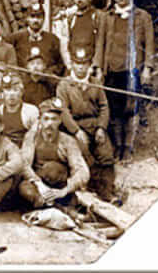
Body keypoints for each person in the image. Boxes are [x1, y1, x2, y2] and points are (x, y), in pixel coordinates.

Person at [101, 0, 155, 161]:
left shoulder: (142, 16)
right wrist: (98, 67)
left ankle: (128, 147)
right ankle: (118, 146)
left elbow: (149, 45)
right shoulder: (107, 17)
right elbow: (100, 44)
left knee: (131, 109)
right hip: (112, 69)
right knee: (115, 109)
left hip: (132, 70)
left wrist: (147, 68)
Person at [57, 46, 116, 201]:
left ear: (89, 65)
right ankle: (93, 190)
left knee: (106, 154)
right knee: (84, 154)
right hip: (75, 127)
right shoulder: (64, 85)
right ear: (72, 64)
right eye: (77, 63)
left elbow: (104, 107)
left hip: (95, 125)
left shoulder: (95, 83)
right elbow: (63, 111)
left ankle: (108, 190)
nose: (81, 67)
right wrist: (76, 131)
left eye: (84, 63)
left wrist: (101, 128)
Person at [18, 98, 90, 209]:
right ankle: (51, 205)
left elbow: (82, 171)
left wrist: (64, 190)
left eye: (54, 119)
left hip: (59, 185)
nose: (50, 123)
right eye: (46, 119)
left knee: (52, 169)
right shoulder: (31, 137)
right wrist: (39, 185)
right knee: (24, 188)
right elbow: (24, 164)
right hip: (39, 183)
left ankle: (53, 204)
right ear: (40, 120)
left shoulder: (67, 141)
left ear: (60, 121)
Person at [9, 3, 64, 76]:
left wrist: (48, 73)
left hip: (46, 81)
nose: (35, 20)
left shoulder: (53, 39)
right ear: (27, 18)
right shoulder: (15, 38)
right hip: (23, 80)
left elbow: (60, 64)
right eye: (32, 16)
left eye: (39, 17)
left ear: (44, 19)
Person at [64, 0, 104, 71]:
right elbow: (65, 41)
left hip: (91, 64)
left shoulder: (98, 16)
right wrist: (69, 65)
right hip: (74, 64)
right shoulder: (71, 18)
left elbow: (100, 42)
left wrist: (96, 65)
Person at [0, 73, 39, 148]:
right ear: (2, 93)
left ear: (21, 92)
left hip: (26, 148)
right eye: (8, 90)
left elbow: (34, 136)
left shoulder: (31, 111)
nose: (11, 94)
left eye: (15, 90)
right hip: (3, 149)